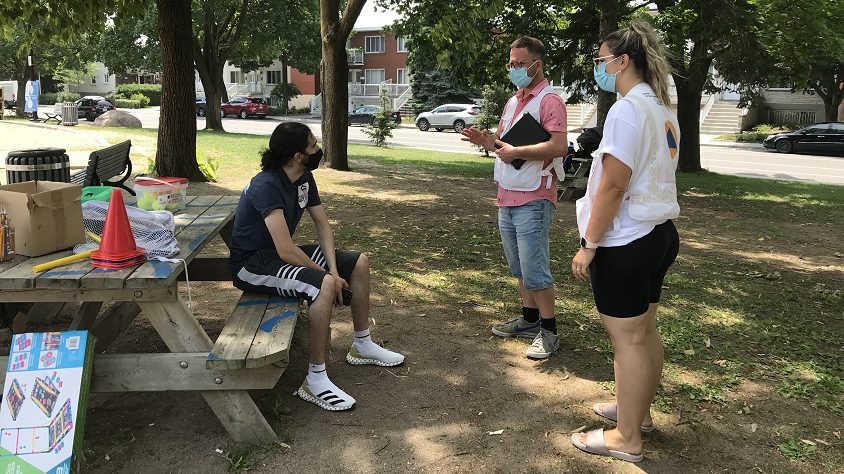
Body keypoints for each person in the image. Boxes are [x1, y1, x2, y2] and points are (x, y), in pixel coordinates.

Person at [229, 122, 405, 412]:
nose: (317, 150)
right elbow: (286, 250)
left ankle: (362, 345)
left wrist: (335, 271)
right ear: (297, 155)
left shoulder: (303, 178)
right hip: (253, 263)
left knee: (359, 262)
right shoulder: (267, 186)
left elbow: (323, 226)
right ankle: (315, 379)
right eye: (312, 146)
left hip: (277, 254)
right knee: (322, 286)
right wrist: (327, 278)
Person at [569, 20, 681, 463]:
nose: (599, 67)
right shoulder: (661, 107)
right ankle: (639, 413)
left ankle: (626, 437)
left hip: (627, 240)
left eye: (601, 61)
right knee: (644, 330)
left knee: (627, 341)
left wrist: (589, 244)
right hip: (658, 235)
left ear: (622, 61)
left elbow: (613, 185)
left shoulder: (627, 109)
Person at [461, 36, 568, 359]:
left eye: (520, 64)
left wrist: (517, 151)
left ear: (538, 65)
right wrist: (487, 141)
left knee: (535, 269)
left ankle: (549, 331)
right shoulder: (512, 101)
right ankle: (530, 319)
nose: (514, 69)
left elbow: (559, 146)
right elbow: (504, 146)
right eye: (511, 63)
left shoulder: (550, 101)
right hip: (507, 196)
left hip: (534, 198)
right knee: (519, 267)